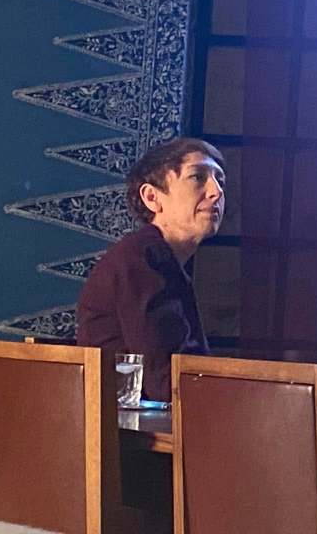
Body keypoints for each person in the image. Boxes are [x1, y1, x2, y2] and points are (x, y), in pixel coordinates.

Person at [77, 138, 225, 401]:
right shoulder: (140, 260)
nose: (216, 191)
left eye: (220, 180)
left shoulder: (161, 260)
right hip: (128, 426)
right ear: (152, 197)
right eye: (198, 177)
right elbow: (164, 381)